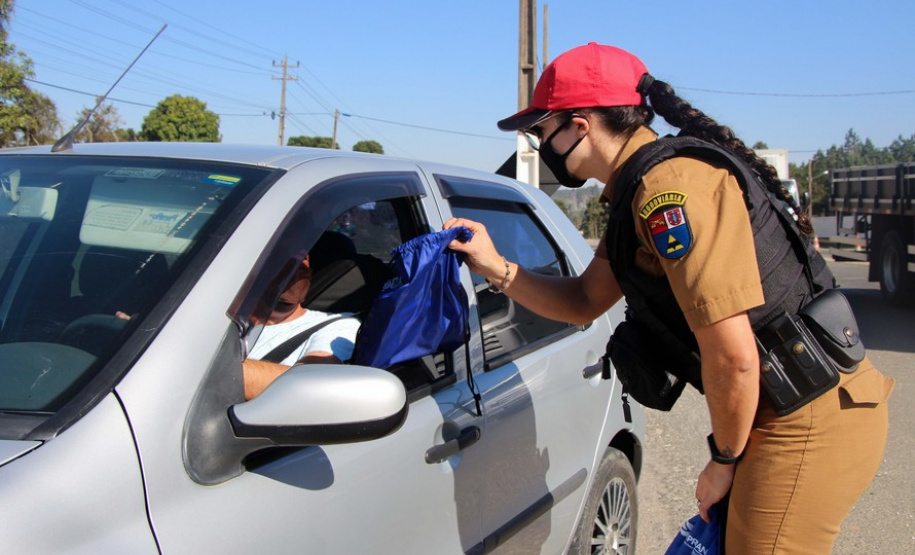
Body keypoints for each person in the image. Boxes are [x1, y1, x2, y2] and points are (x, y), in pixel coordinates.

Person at [445, 42, 894, 553]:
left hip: (806, 416)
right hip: (784, 407)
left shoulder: (668, 191)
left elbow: (733, 357)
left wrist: (722, 460)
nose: (539, 144)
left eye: (542, 130)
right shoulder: (636, 191)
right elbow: (585, 299)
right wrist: (497, 268)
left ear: (580, 126)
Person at [242, 254, 360, 400]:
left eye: (304, 258)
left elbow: (311, 382)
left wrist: (224, 373)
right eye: (288, 256)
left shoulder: (338, 325)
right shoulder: (226, 316)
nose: (300, 265)